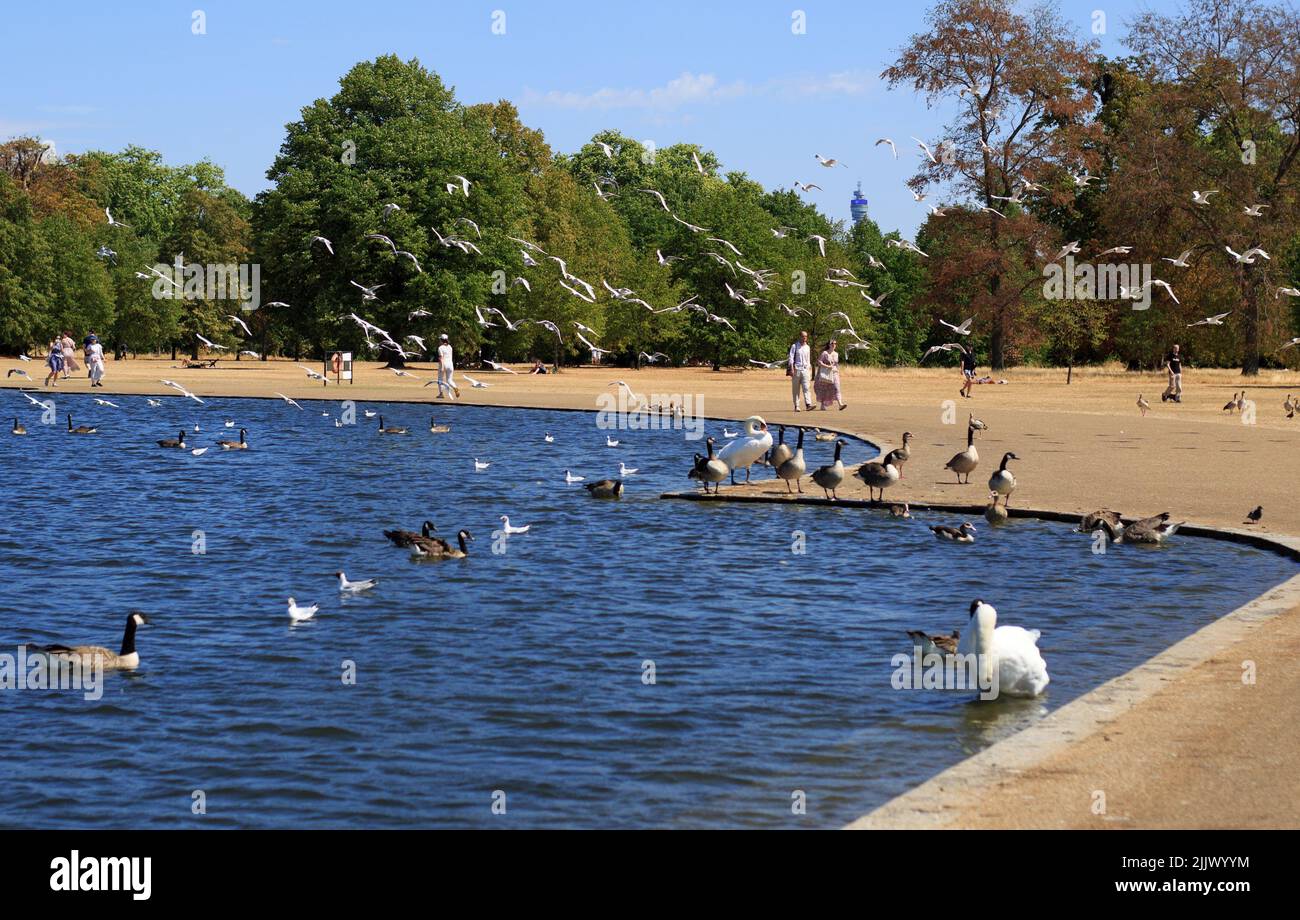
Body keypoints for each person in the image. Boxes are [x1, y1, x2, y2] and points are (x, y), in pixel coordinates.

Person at [814, 338, 847, 410]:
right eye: (832, 343)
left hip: (834, 373)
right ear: (829, 344)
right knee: (825, 389)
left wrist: (837, 370)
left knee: (837, 388)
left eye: (835, 343)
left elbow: (836, 364)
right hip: (825, 373)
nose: (834, 345)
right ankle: (823, 404)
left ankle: (840, 404)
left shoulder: (836, 354)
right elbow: (819, 362)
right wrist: (827, 366)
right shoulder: (824, 353)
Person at [787, 330, 814, 412]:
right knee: (796, 389)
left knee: (806, 388)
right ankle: (797, 406)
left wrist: (810, 370)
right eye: (803, 336)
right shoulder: (794, 346)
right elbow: (791, 358)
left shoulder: (807, 347)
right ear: (800, 336)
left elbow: (808, 359)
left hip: (805, 369)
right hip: (797, 369)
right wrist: (791, 368)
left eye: (805, 336)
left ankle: (808, 404)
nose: (804, 338)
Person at [436, 334, 459, 399]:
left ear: (441, 340)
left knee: (440, 379)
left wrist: (442, 367)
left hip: (444, 364)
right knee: (449, 380)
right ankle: (455, 388)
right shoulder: (450, 347)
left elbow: (441, 358)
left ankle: (441, 394)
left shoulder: (440, 348)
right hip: (450, 365)